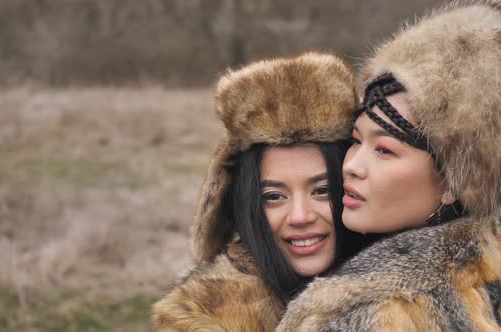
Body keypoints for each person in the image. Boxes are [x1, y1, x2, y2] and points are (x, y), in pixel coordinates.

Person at [278, 1, 501, 331]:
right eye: (355, 140)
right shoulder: (492, 260)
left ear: (454, 182)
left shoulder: (372, 315)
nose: (351, 165)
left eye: (383, 150)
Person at [152, 53, 369, 331]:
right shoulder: (209, 318)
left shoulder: (407, 292)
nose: (300, 217)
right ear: (248, 205)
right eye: (274, 197)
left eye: (322, 190)